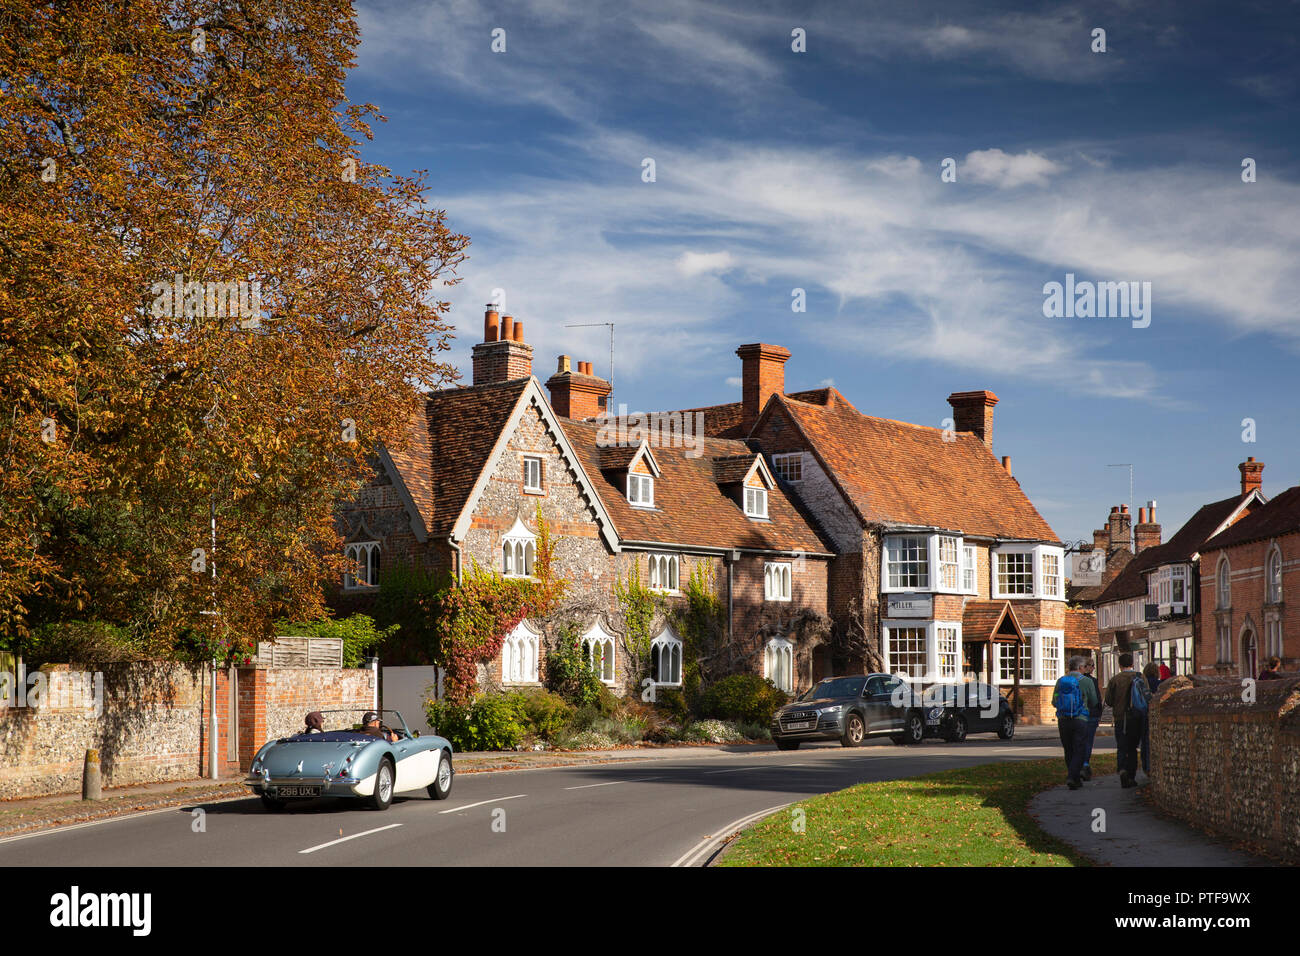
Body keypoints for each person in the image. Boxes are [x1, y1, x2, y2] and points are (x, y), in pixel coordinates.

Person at [1052, 655, 1099, 790]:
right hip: (1081, 719)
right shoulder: (1087, 681)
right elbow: (1094, 701)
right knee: (1079, 748)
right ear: (1080, 667)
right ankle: (1073, 777)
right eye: (1084, 667)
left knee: (1068, 749)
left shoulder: (1060, 681)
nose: (1085, 669)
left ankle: (1073, 776)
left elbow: (1054, 700)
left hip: (1063, 719)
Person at [1105, 653, 1146, 788]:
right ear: (1132, 664)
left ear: (1120, 665)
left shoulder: (1115, 680)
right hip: (1136, 717)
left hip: (1120, 718)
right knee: (1133, 748)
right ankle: (1131, 776)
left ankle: (1122, 769)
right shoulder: (1140, 677)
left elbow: (1109, 701)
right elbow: (1147, 696)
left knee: (1122, 746)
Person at [1078, 658, 1103, 781]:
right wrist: (1099, 713)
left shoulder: (1074, 680)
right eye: (1092, 666)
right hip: (1091, 714)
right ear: (1086, 666)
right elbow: (1096, 699)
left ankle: (1076, 766)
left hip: (1077, 715)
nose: (1093, 668)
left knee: (1079, 741)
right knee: (1088, 742)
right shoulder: (1091, 681)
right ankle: (1085, 765)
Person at [1139, 662, 1160, 776]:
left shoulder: (1142, 684)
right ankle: (1151, 766)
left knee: (1144, 741)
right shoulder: (1159, 684)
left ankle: (1146, 766)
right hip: (1154, 714)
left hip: (1142, 713)